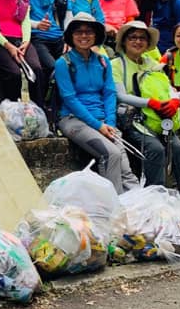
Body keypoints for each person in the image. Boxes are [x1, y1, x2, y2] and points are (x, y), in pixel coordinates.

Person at [53, 13, 138, 194]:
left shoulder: (102, 61)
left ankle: (141, 204)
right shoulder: (64, 63)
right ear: (71, 36)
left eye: (88, 32)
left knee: (125, 167)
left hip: (103, 121)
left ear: (95, 35)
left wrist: (110, 124)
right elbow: (70, 99)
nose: (84, 36)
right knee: (111, 154)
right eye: (79, 32)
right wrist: (99, 126)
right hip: (73, 119)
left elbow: (109, 94)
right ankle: (115, 206)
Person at [112, 21, 180, 193]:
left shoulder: (152, 64)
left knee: (178, 150)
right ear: (124, 41)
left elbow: (167, 88)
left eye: (142, 38)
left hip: (157, 119)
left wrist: (174, 101)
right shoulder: (116, 65)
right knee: (155, 149)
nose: (137, 41)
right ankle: (155, 196)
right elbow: (120, 95)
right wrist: (150, 103)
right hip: (131, 120)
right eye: (133, 37)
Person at [25, 0, 70, 93]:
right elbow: (15, 16)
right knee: (52, 68)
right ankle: (40, 110)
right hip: (36, 37)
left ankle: (57, 110)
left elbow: (68, 14)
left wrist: (70, 39)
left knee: (68, 71)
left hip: (59, 38)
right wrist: (35, 24)